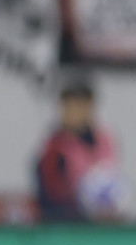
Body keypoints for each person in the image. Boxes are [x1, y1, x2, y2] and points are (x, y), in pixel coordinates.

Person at [35, 78, 124, 222]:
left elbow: (111, 177)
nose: (71, 112)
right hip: (69, 222)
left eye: (78, 106)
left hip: (103, 219)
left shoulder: (103, 139)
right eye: (67, 106)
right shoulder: (54, 146)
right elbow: (53, 193)